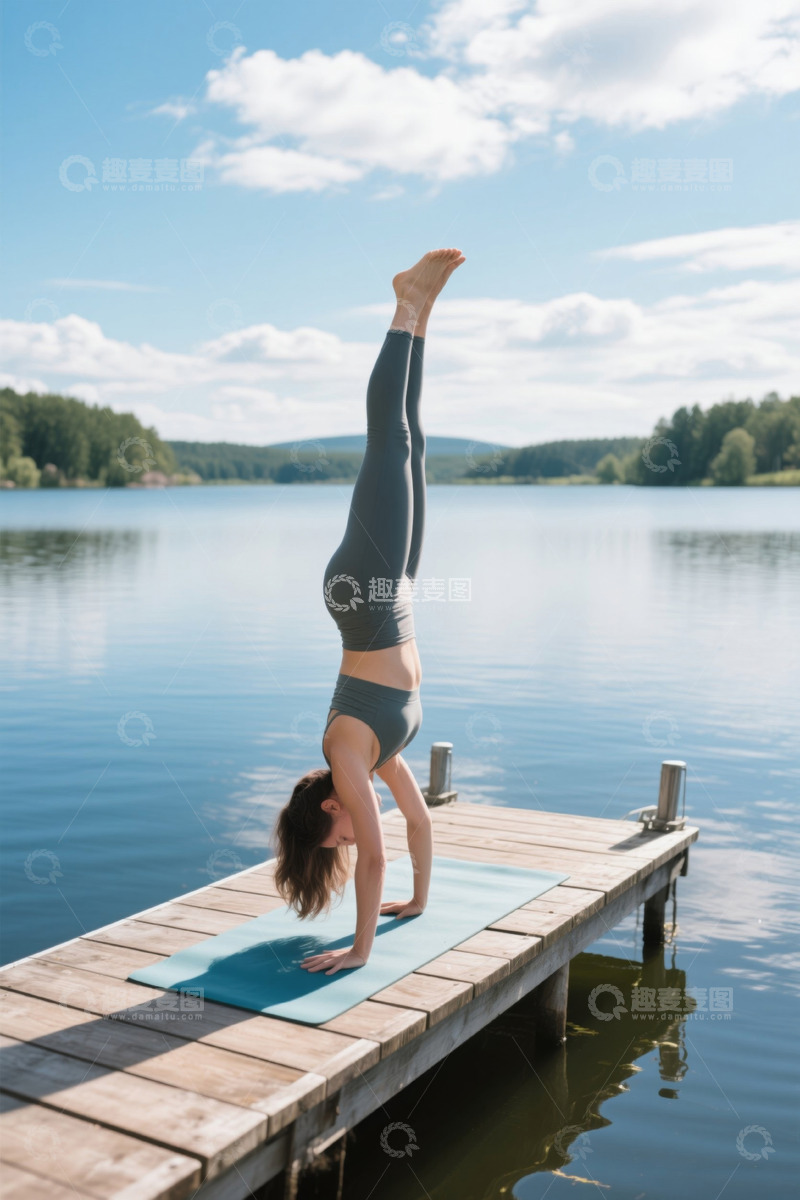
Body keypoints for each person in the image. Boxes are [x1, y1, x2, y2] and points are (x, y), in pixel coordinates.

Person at [272, 249, 466, 975]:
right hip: (393, 592)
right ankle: (420, 316)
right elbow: (416, 821)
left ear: (331, 808)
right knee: (412, 441)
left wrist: (360, 951)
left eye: (339, 841)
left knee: (389, 441)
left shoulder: (346, 754)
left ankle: (406, 305)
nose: (352, 843)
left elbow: (378, 852)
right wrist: (418, 901)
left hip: (365, 589)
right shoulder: (380, 755)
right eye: (345, 850)